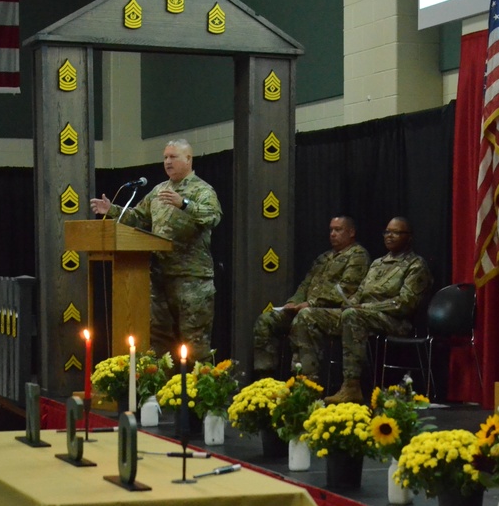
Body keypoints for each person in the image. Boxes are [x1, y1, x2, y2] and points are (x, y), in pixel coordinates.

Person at [89, 139, 222, 362]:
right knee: (159, 342)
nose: (167, 162)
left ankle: (198, 394)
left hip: (192, 280)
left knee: (194, 342)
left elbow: (213, 217)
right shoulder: (159, 190)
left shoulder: (203, 190)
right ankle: (163, 392)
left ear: (188, 159)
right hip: (159, 278)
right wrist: (112, 210)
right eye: (165, 157)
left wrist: (184, 203)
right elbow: (139, 218)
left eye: (173, 157)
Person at [290, 216, 433, 404]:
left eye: (396, 233)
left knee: (352, 315)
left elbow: (405, 304)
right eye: (387, 232)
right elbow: (360, 293)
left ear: (409, 237)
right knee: (307, 315)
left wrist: (362, 307)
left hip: (394, 321)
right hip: (361, 315)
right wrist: (349, 303)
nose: (389, 236)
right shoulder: (377, 263)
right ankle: (308, 384)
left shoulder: (416, 265)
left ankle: (351, 386)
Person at [252, 216, 370, 379]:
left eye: (338, 229)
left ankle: (305, 380)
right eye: (331, 230)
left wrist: (311, 303)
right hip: (306, 308)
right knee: (266, 320)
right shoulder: (324, 258)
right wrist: (294, 302)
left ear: (351, 232)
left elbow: (346, 289)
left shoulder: (358, 256)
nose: (333, 234)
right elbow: (305, 285)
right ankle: (264, 378)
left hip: (334, 313)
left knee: (304, 317)